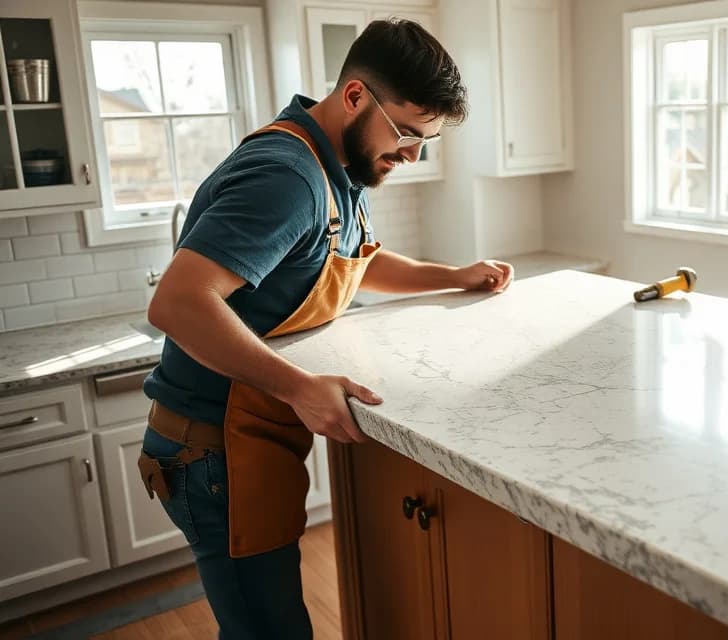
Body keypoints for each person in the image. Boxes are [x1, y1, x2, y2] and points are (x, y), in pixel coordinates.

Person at [135, 19, 512, 638]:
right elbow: (177, 304)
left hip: (243, 437)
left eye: (427, 141)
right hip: (213, 449)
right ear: (357, 96)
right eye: (408, 134)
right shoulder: (287, 176)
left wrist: (454, 274)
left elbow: (348, 260)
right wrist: (299, 386)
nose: (413, 155)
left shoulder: (334, 161)